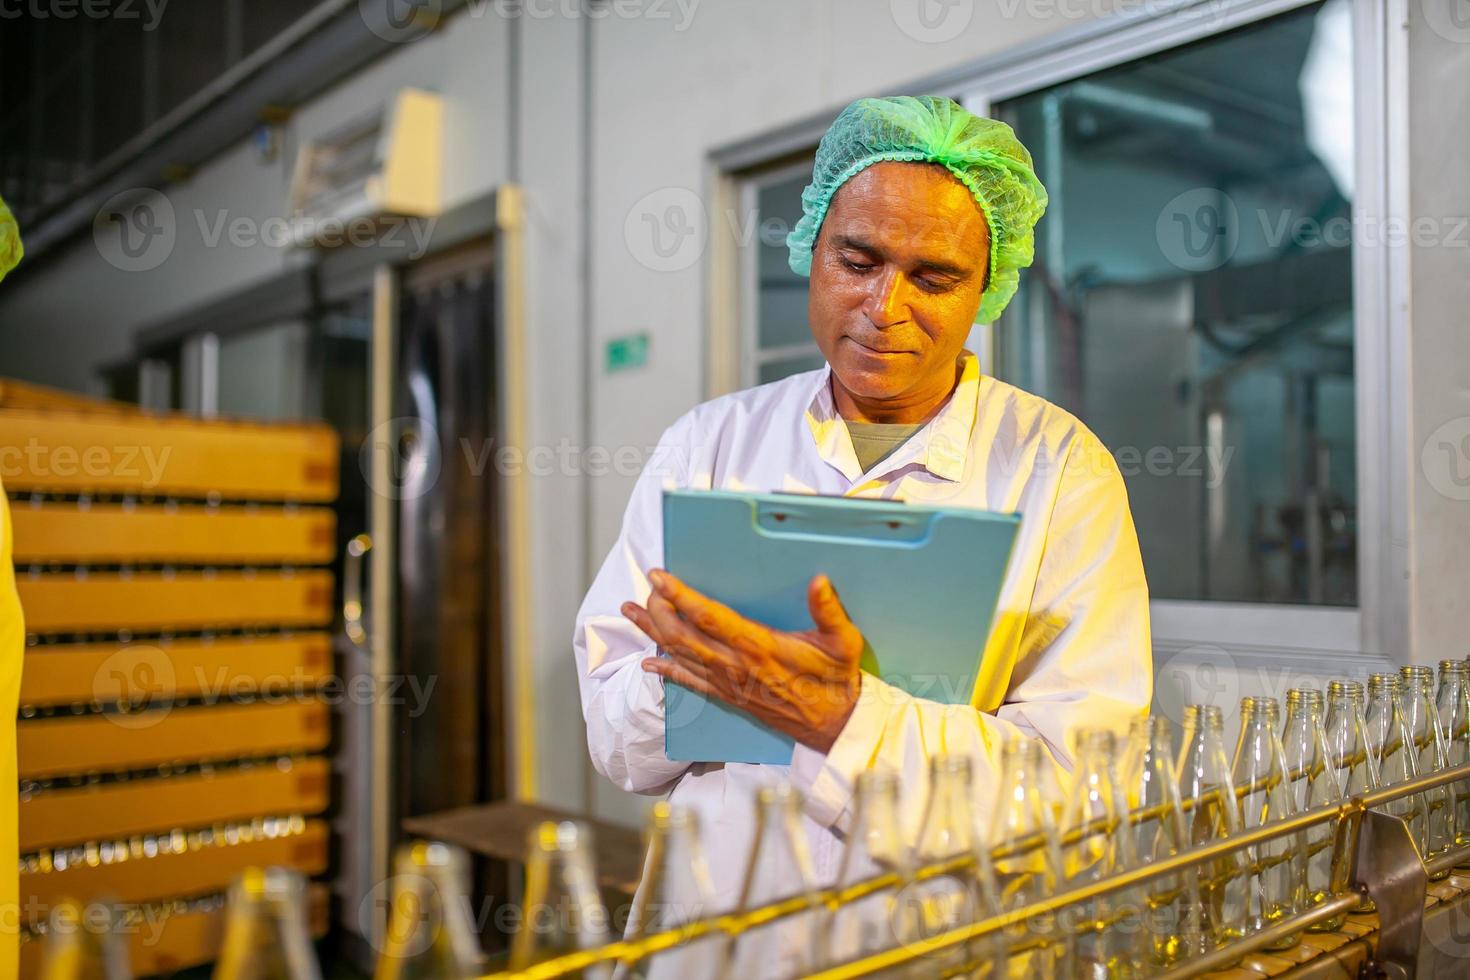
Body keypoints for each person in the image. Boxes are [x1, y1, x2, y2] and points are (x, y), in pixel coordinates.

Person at [572, 96, 1150, 972]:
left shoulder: (1059, 469)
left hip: (931, 945)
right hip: (721, 944)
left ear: (983, 294)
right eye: (859, 259)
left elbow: (1084, 795)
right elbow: (616, 746)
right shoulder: (709, 445)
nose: (886, 306)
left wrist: (843, 718)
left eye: (935, 277)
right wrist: (706, 674)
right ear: (812, 253)